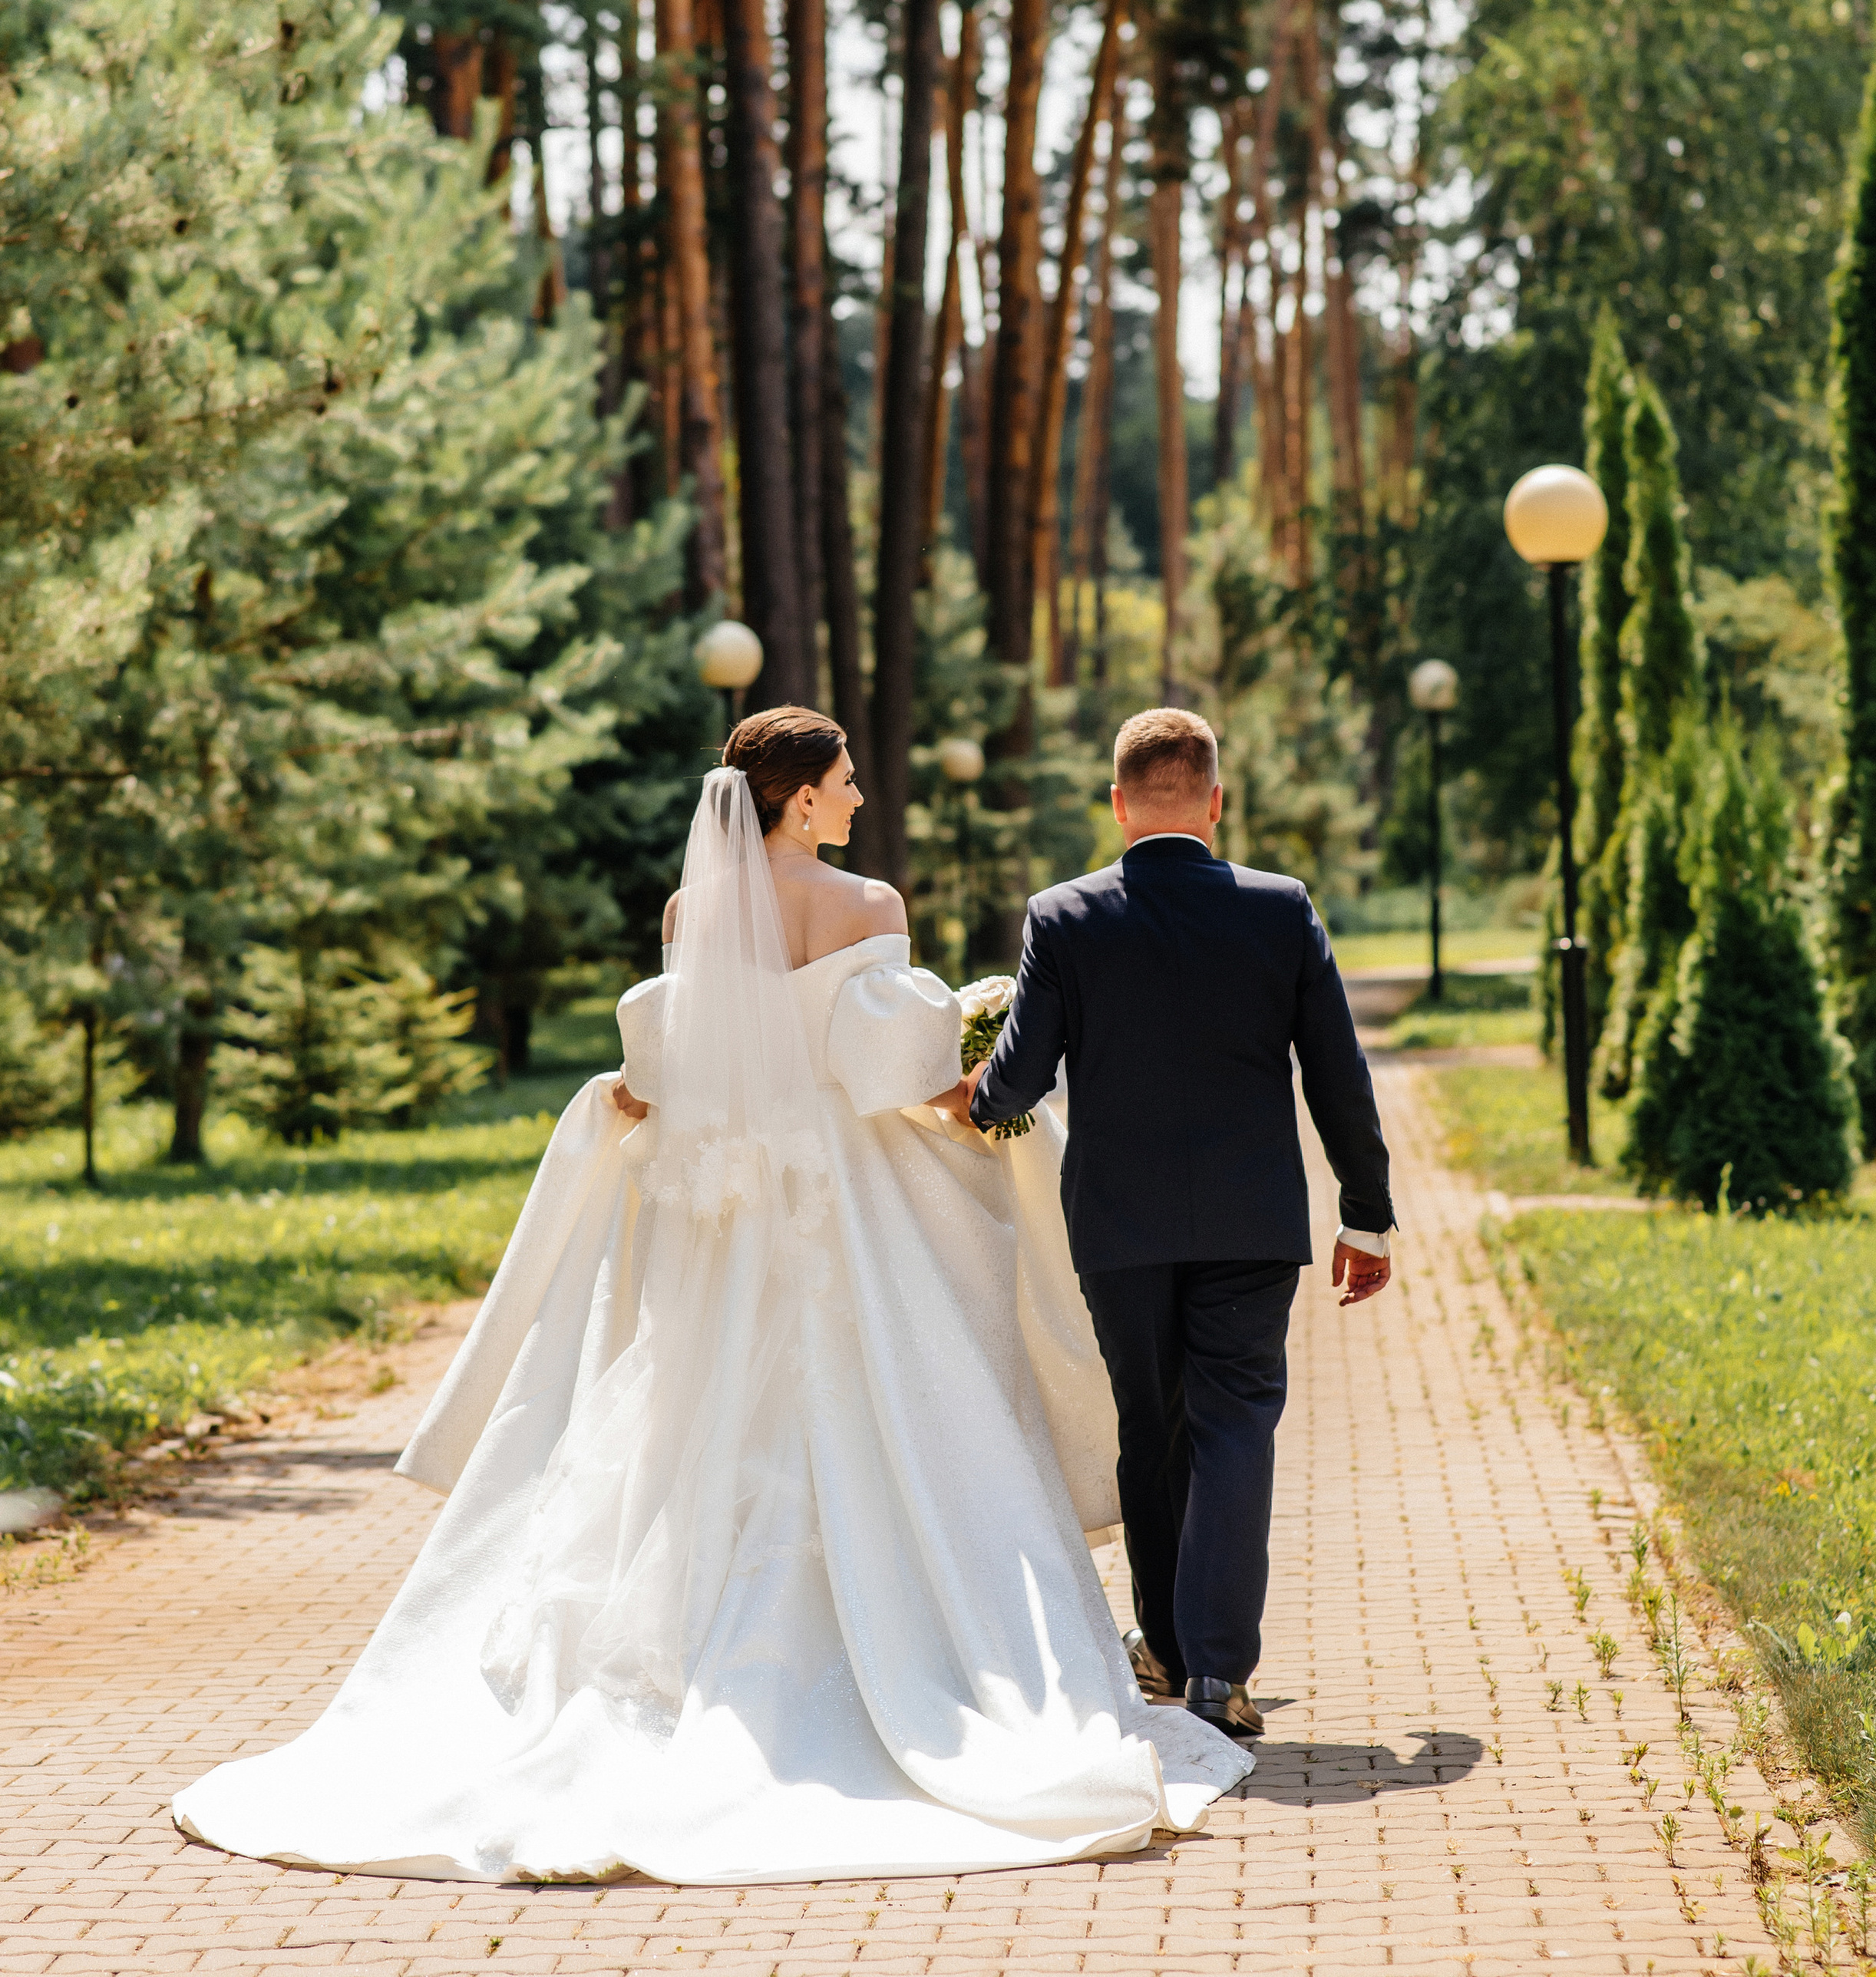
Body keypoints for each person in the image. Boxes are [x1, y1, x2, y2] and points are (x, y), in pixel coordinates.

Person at [173, 709, 1250, 1888]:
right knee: (882, 1405)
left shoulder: (697, 913)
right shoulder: (868, 908)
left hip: (730, 1217)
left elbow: (688, 1055)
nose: (855, 801)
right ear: (796, 800)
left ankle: (689, 1658)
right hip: (847, 1207)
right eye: (843, 783)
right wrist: (986, 1092)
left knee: (708, 1424)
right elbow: (889, 1071)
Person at [944, 705, 1395, 1746]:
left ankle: (1171, 1646)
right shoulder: (1281, 910)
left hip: (1121, 1225)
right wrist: (1364, 1217)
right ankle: (1217, 1673)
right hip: (1251, 1223)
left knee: (1151, 1429)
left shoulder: (1063, 915)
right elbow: (1339, 1074)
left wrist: (966, 1097)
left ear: (1117, 803)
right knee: (1233, 1423)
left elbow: (1022, 1072)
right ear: (1215, 801)